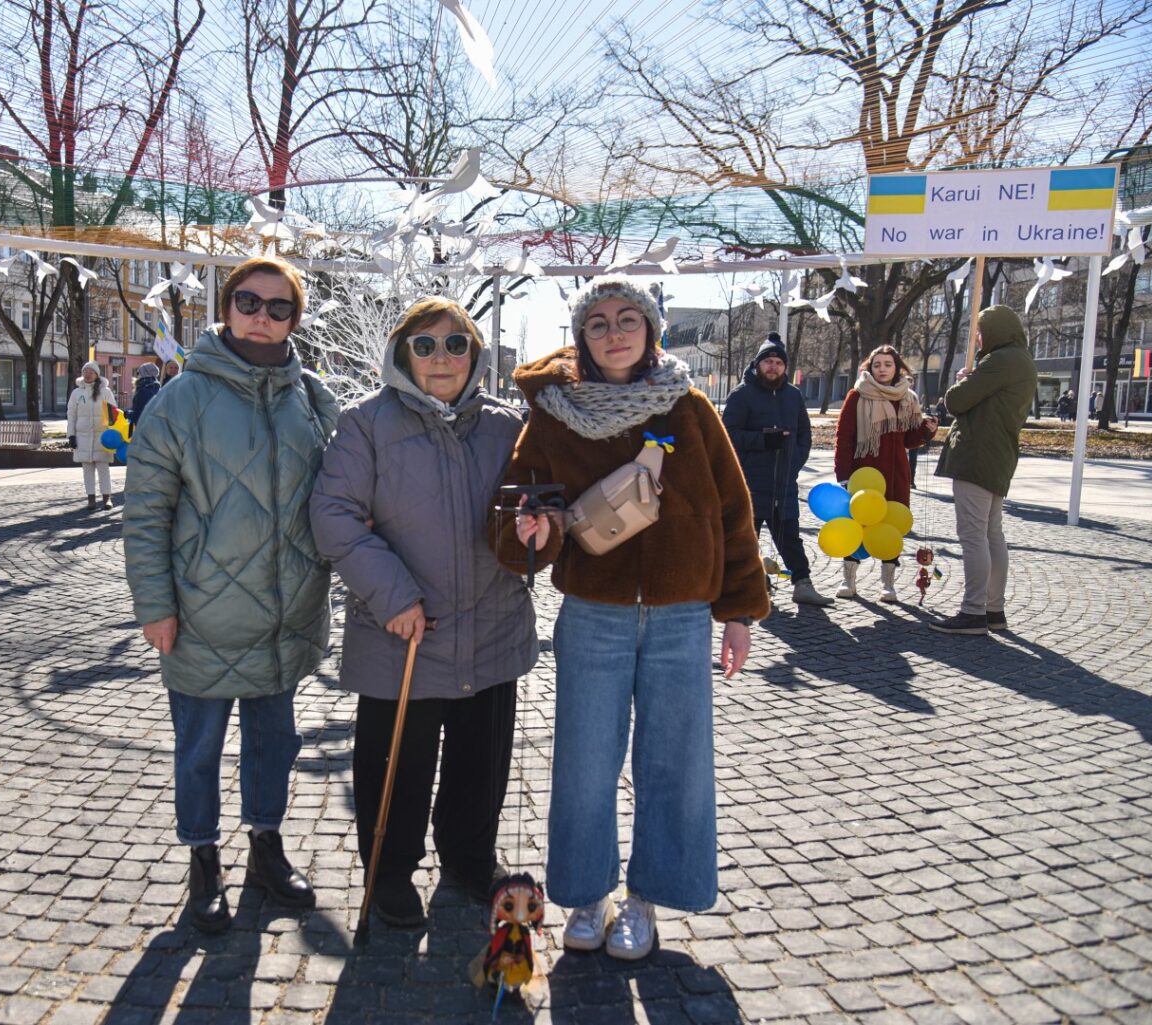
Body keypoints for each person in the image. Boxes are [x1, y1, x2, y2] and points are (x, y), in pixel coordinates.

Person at [495, 276, 769, 961]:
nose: (614, 331)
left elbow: (734, 513)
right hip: (594, 613)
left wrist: (738, 611)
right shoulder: (554, 414)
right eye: (598, 323)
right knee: (586, 763)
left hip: (682, 616)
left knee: (674, 762)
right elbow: (517, 507)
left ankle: (645, 899)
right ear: (582, 337)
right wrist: (532, 526)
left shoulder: (690, 409)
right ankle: (588, 895)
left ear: (651, 331)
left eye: (627, 319)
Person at [123, 255, 339, 934]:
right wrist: (154, 604)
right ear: (226, 305)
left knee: (274, 742)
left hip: (285, 612)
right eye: (249, 301)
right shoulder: (180, 399)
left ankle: (266, 849)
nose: (262, 316)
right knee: (200, 747)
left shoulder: (311, 396)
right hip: (202, 613)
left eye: (280, 307)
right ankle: (203, 860)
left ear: (294, 319)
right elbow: (146, 509)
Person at [310, 297, 536, 926]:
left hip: (490, 626)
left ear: (475, 353)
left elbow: (533, 503)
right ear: (402, 353)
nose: (442, 358)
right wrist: (394, 596)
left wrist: (538, 528)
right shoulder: (366, 423)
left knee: (479, 764)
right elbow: (334, 516)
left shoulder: (505, 425)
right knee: (396, 769)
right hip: (402, 633)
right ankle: (390, 874)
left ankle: (468, 858)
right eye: (426, 345)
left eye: (456, 344)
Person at [931, 305, 1037, 635]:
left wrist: (965, 380)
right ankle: (994, 609)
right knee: (992, 534)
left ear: (994, 331)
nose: (977, 338)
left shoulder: (1000, 360)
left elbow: (956, 402)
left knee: (974, 535)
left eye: (979, 331)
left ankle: (974, 611)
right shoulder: (1021, 360)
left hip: (978, 455)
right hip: (999, 454)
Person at [722, 334, 834, 607]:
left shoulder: (793, 395)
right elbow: (726, 435)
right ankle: (753, 584)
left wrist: (793, 463)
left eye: (778, 362)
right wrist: (763, 440)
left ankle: (803, 584)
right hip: (749, 482)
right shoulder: (742, 394)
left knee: (790, 538)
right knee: (747, 538)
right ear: (758, 364)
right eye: (768, 362)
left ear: (785, 367)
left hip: (783, 482)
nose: (773, 367)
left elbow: (804, 436)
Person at [833, 346, 938, 603]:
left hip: (896, 473)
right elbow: (844, 438)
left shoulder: (907, 397)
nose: (882, 369)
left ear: (897, 368)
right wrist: (843, 475)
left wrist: (927, 431)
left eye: (887, 364)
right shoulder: (857, 396)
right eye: (877, 364)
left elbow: (909, 438)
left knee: (892, 525)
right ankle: (849, 580)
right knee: (858, 523)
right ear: (870, 367)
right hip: (864, 474)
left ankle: (887, 584)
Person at [67, 361, 118, 511]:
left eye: (91, 372)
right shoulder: (76, 393)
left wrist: (112, 433)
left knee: (103, 467)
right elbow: (71, 415)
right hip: (82, 437)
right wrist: (71, 435)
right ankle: (91, 499)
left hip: (102, 437)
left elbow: (113, 414)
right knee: (87, 469)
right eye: (85, 371)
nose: (88, 374)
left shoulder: (106, 392)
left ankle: (107, 498)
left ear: (97, 375)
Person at [126, 362, 162, 428]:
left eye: (138, 373)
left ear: (143, 373)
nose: (137, 375)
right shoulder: (159, 389)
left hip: (144, 430)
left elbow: (139, 416)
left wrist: (126, 414)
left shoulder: (143, 390)